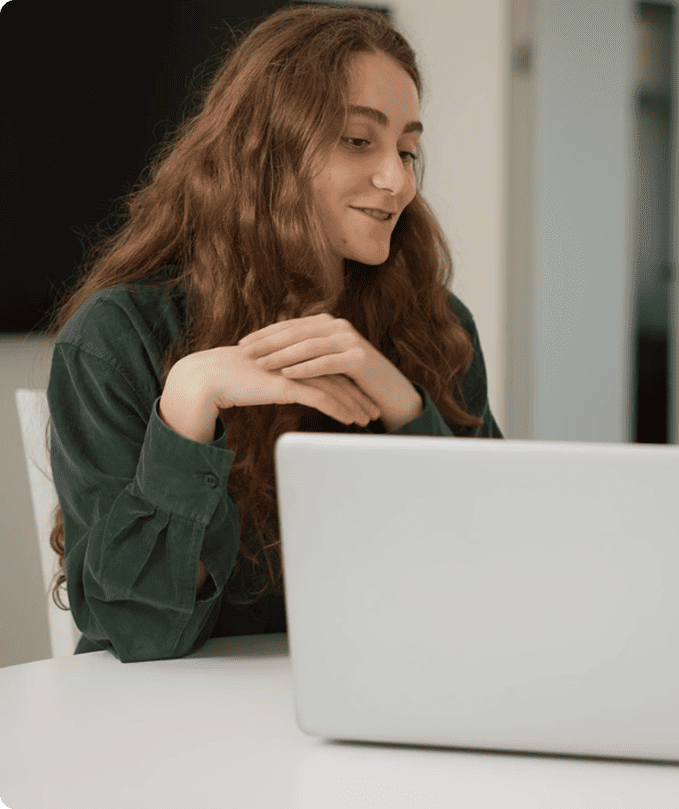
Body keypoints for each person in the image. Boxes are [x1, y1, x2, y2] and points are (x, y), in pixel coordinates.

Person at [46, 5, 501, 663]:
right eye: (357, 140)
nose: (398, 181)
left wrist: (404, 405)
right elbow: (138, 636)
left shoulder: (439, 326)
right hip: (166, 740)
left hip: (382, 708)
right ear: (268, 151)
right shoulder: (116, 338)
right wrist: (187, 402)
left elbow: (494, 582)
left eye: (407, 149)